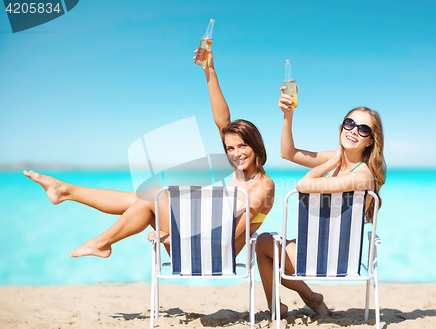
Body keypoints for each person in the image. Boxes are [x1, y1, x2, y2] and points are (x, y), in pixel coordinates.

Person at [23, 45, 274, 259]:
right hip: (194, 243)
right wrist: (209, 69)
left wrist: (174, 235)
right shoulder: (242, 173)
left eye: (243, 146)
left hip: (206, 255)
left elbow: (228, 237)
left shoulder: (263, 186)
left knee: (155, 194)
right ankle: (68, 194)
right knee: (143, 199)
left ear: (256, 145)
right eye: (230, 148)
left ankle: (98, 237)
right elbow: (223, 121)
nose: (236, 153)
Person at [255, 86, 386, 318]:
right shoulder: (338, 161)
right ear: (342, 127)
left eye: (363, 129)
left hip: (331, 257)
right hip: (319, 248)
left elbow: (302, 186)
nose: (354, 130)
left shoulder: (362, 175)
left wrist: (329, 163)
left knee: (263, 244)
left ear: (370, 141)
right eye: (349, 123)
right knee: (266, 244)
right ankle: (311, 299)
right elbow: (288, 153)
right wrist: (288, 115)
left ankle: (297, 301)